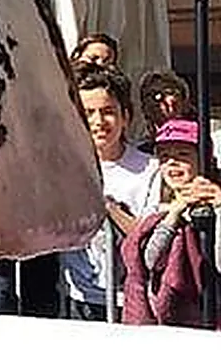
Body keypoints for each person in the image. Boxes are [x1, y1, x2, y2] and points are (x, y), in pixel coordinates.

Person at [60, 65, 161, 320]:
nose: (98, 122)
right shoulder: (63, 168)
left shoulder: (151, 169)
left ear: (125, 116)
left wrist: (110, 208)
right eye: (88, 113)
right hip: (76, 297)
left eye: (108, 112)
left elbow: (149, 236)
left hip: (131, 300)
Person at [121, 118, 221, 328]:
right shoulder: (160, 210)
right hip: (175, 320)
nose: (172, 162)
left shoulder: (217, 201)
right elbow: (150, 261)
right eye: (165, 156)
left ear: (205, 159)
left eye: (182, 155)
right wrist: (174, 215)